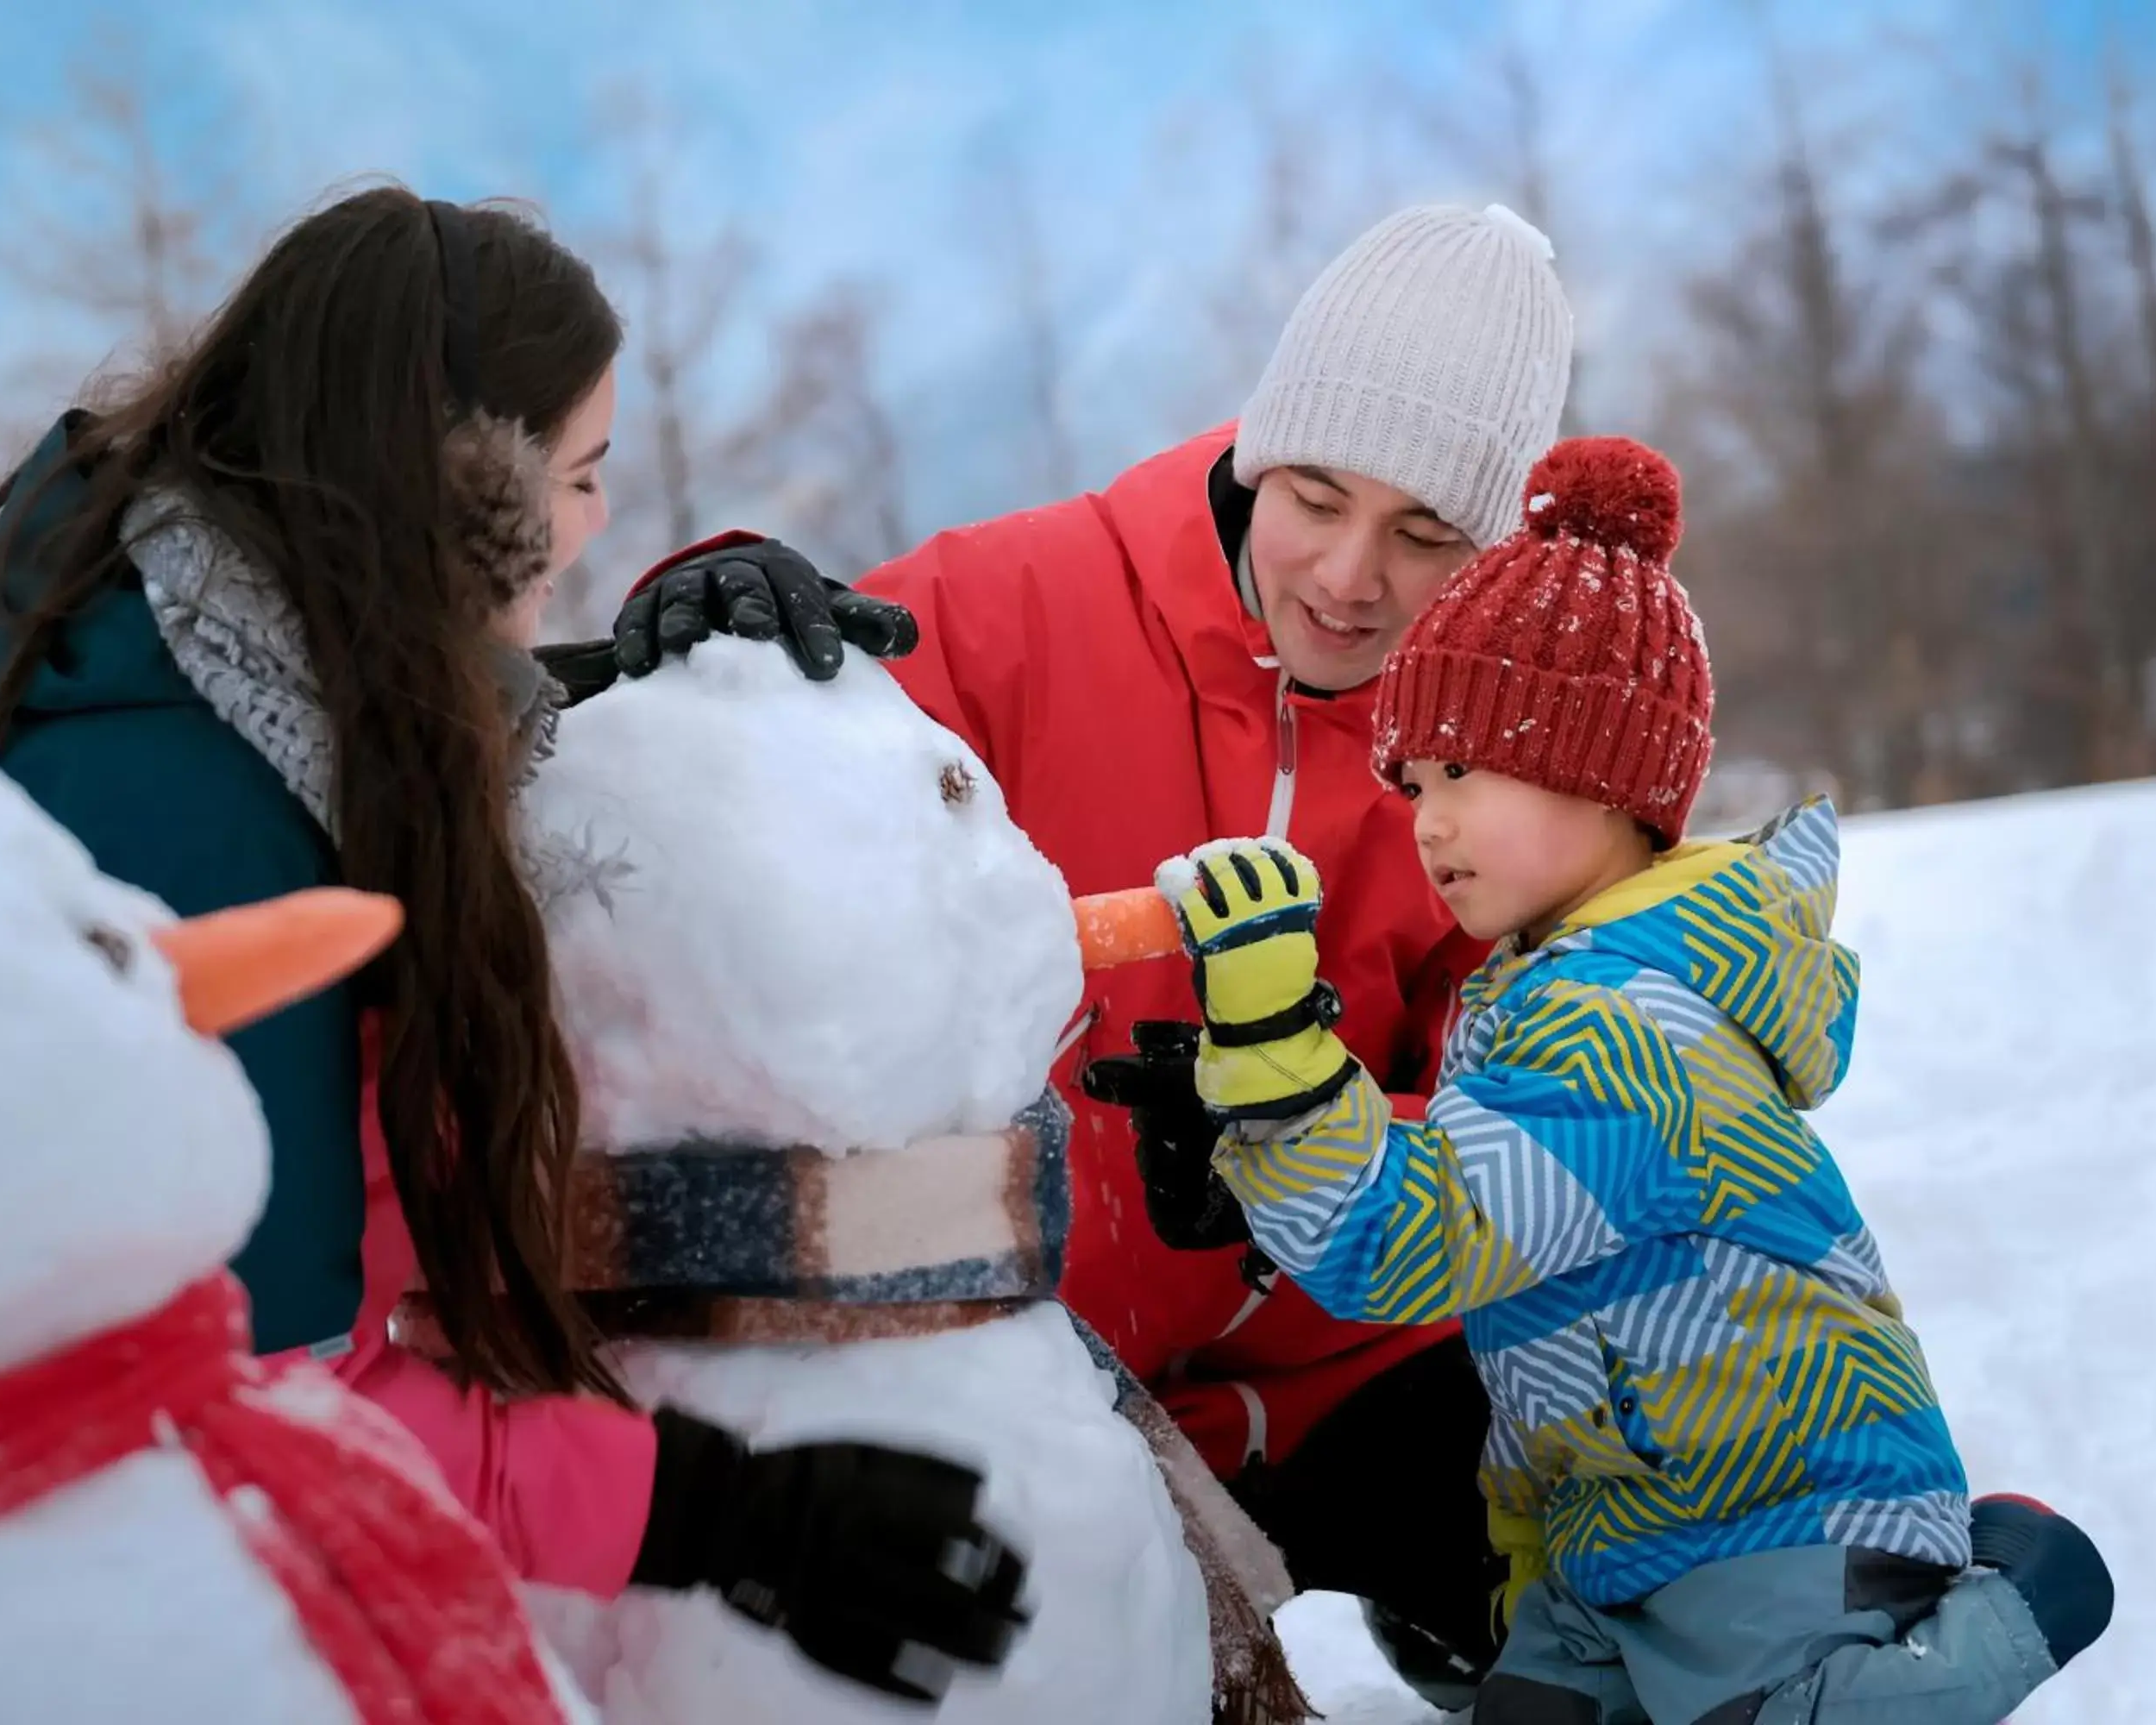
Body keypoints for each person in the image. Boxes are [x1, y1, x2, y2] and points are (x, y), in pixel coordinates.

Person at [0, 185, 1018, 1705]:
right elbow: (257, 1403)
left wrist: (683, 643)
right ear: (455, 501)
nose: (596, 523)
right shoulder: (201, 832)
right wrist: (718, 1515)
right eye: (579, 479)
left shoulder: (215, 684)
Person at [617, 201, 1575, 1698]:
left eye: (1428, 537)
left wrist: (1311, 1135)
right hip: (1054, 1365)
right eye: (1316, 496)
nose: (1346, 575)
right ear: (1260, 453)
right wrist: (708, 597)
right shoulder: (1025, 603)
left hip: (1356, 1368)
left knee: (1636, 1569)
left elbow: (1522, 1104)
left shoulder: (1495, 750)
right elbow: (781, 744)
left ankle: (1458, 1612)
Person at [1156, 435, 2115, 1722]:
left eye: (1464, 775)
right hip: (1625, 1543)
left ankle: (2026, 1606)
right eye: (1415, 782)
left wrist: (1278, 1066)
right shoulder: (1550, 988)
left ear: (1601, 778)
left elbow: (1411, 1246)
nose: (1426, 819)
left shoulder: (1628, 1023)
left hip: (1786, 1527)